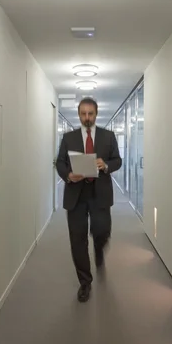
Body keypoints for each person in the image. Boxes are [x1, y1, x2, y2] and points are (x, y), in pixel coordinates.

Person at [56, 98, 122, 302]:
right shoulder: (68, 138)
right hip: (76, 193)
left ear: (96, 113)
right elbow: (60, 162)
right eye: (83, 114)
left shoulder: (108, 136)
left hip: (100, 192)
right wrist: (68, 175)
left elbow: (117, 160)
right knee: (78, 240)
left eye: (90, 114)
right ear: (78, 114)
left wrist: (106, 165)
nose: (87, 118)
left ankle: (99, 249)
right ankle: (85, 282)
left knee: (102, 230)